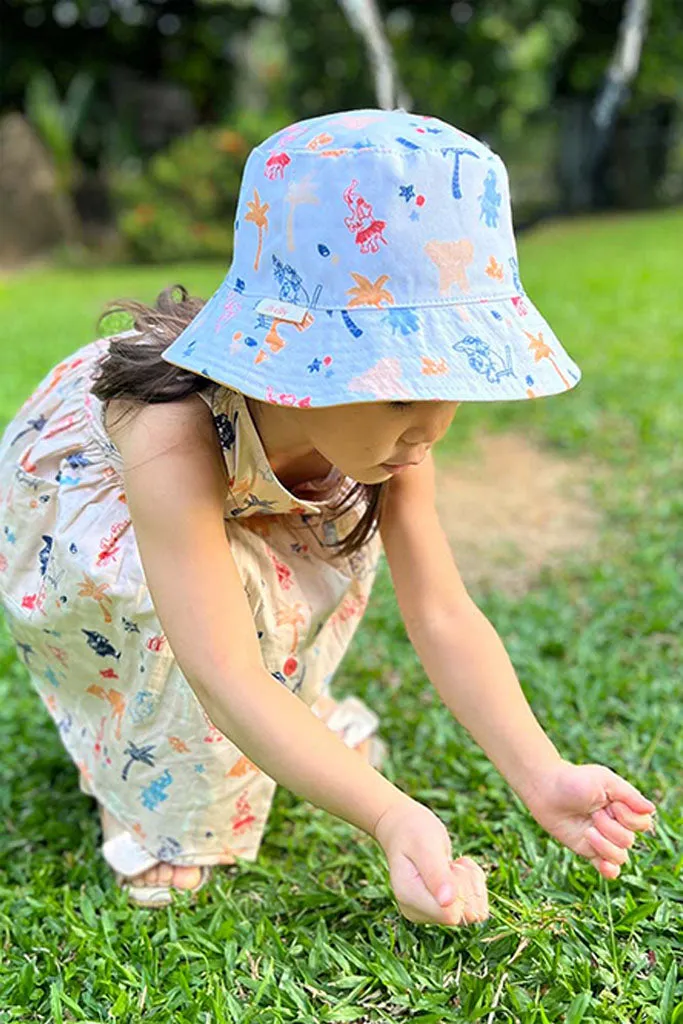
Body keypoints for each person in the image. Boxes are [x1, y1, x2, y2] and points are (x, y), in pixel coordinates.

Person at [0, 108, 656, 922]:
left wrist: (540, 773)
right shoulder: (165, 428)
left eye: (448, 380)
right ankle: (141, 801)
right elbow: (225, 671)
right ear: (285, 365)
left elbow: (443, 614)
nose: (430, 426)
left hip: (256, 481)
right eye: (398, 389)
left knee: (296, 572)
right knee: (195, 618)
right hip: (98, 519)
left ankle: (300, 718)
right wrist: (389, 814)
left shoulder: (392, 436)